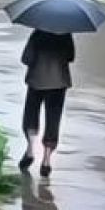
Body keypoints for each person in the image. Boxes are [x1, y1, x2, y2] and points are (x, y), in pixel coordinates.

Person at [18, 29, 75, 178]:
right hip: (59, 83)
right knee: (53, 119)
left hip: (37, 80)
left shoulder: (38, 32)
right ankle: (46, 160)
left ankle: (30, 149)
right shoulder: (66, 33)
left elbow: (26, 59)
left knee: (31, 114)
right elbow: (70, 57)